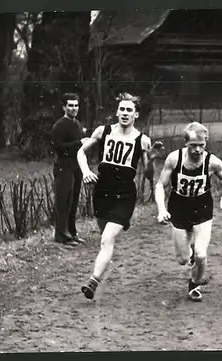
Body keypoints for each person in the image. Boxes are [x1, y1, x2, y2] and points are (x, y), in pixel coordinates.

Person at [76, 92, 155, 300]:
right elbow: (80, 152)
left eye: (130, 110)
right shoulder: (103, 131)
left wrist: (152, 160)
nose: (125, 113)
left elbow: (148, 175)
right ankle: (105, 263)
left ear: (136, 114)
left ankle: (93, 281)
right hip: (102, 190)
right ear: (117, 112)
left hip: (124, 193)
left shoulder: (143, 140)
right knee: (105, 236)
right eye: (122, 109)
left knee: (106, 238)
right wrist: (85, 172)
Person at [155, 122, 222, 302]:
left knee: (201, 254)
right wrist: (161, 210)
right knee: (183, 260)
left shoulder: (212, 161)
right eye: (193, 146)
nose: (198, 150)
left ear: (206, 143)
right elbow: (160, 184)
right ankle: (189, 255)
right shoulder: (174, 159)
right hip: (179, 206)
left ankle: (194, 284)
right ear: (185, 144)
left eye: (202, 145)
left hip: (202, 207)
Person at [50, 93, 89, 247]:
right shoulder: (59, 125)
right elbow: (58, 146)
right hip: (63, 166)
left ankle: (72, 233)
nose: (74, 108)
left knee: (73, 200)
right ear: (64, 107)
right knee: (63, 200)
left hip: (76, 166)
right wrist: (79, 143)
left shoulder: (77, 124)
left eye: (76, 105)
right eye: (70, 105)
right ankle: (61, 235)